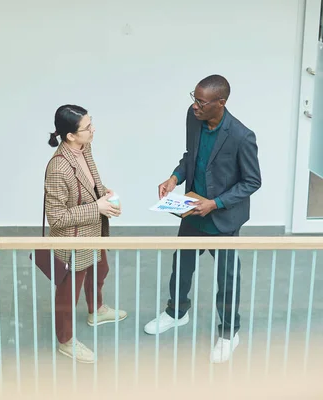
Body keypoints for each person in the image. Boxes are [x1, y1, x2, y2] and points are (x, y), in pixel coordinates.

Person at [143, 75, 262, 363]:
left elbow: (252, 181)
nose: (194, 105)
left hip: (223, 220)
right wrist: (174, 177)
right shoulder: (193, 118)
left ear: (220, 103)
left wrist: (216, 203)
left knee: (227, 278)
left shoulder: (241, 136)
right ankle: (176, 312)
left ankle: (229, 332)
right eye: (193, 98)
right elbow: (190, 156)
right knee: (181, 265)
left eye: (201, 101)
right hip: (192, 212)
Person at [44, 104, 128, 363]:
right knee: (68, 293)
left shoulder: (84, 148)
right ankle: (65, 340)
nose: (93, 130)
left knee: (100, 270)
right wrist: (97, 207)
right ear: (70, 135)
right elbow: (56, 218)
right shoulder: (58, 168)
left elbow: (91, 181)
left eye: (92, 123)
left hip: (94, 231)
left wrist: (105, 194)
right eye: (87, 127)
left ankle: (97, 310)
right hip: (73, 240)